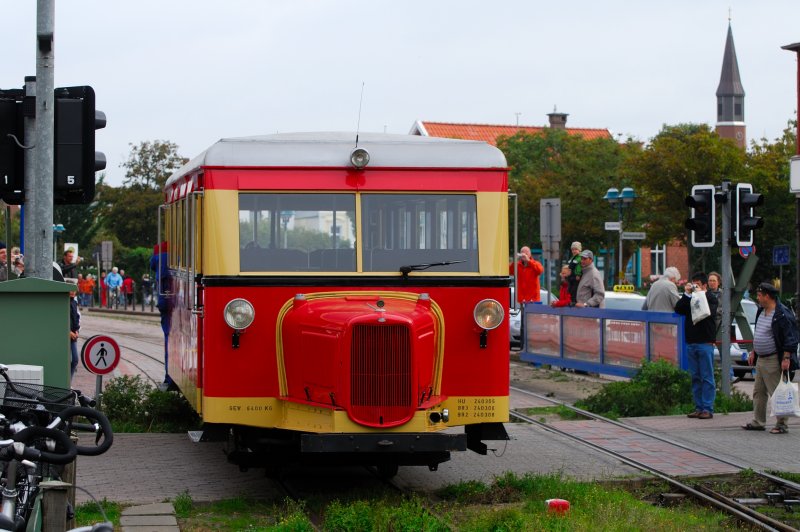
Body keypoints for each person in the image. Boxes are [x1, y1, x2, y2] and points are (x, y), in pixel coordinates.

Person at [742, 283, 799, 434]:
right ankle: (758, 422)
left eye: (759, 295)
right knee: (758, 392)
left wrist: (786, 358)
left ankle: (782, 424)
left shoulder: (782, 314)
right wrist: (754, 351)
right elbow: (760, 332)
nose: (757, 298)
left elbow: (791, 338)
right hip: (761, 358)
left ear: (767, 296)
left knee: (777, 392)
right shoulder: (761, 310)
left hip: (773, 359)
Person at [674, 272, 718, 420]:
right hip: (691, 342)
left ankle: (707, 408)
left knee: (707, 377)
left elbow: (707, 312)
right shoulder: (690, 298)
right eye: (693, 284)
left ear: (705, 285)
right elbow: (678, 309)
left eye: (697, 284)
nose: (694, 287)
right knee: (695, 377)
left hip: (705, 342)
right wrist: (687, 294)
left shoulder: (711, 298)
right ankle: (698, 407)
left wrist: (700, 294)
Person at [151, 242, 174, 387]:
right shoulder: (177, 250)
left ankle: (169, 375)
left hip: (164, 300)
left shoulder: (157, 252)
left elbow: (152, 266)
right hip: (177, 299)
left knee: (168, 338)